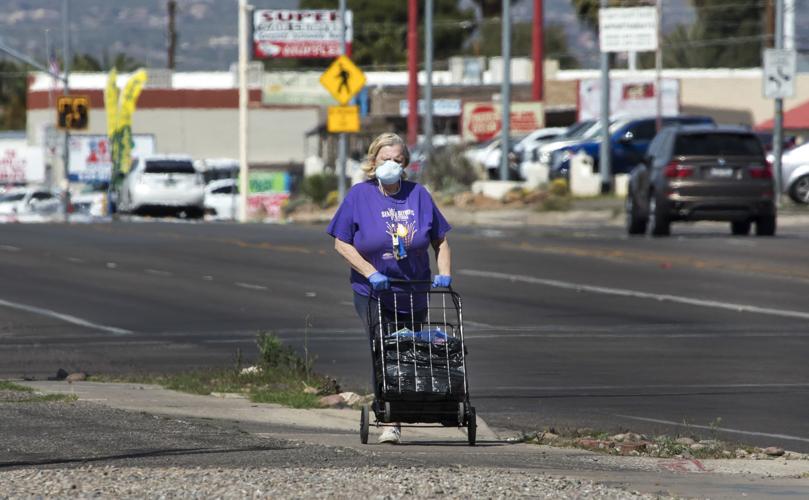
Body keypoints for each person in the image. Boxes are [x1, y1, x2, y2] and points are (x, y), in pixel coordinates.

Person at [327, 132, 452, 444]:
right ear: (373, 162)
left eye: (398, 160)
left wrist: (445, 273)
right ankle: (391, 419)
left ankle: (416, 405)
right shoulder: (359, 196)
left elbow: (441, 240)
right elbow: (342, 242)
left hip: (414, 289)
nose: (391, 165)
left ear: (406, 163)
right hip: (373, 292)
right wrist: (370, 272)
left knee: (411, 352)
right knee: (385, 349)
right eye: (385, 160)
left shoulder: (419, 195)